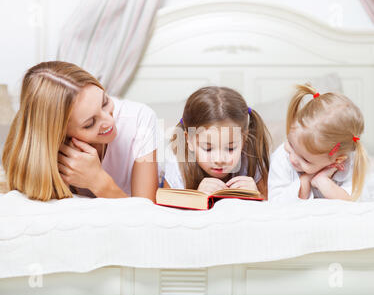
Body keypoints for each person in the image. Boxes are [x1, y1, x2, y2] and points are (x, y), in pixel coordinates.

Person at [2, 61, 158, 201]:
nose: (109, 121)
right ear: (61, 134)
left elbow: (147, 212)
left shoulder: (139, 119)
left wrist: (99, 182)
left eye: (105, 102)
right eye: (90, 123)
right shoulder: (40, 153)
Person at [162, 86, 271, 198]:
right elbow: (165, 209)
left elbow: (270, 206)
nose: (219, 160)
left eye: (230, 148)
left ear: (244, 139)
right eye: (208, 149)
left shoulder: (251, 161)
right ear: (189, 140)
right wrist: (196, 197)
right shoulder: (178, 166)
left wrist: (256, 195)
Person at [268, 83, 370, 202]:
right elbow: (276, 202)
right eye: (290, 144)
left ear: (338, 160)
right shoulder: (282, 157)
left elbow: (355, 202)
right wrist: (306, 180)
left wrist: (322, 181)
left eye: (306, 160)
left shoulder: (352, 164)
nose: (293, 159)